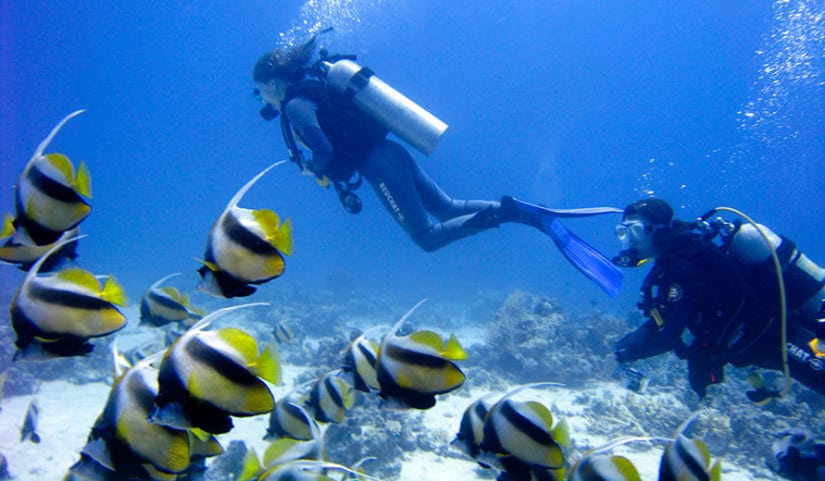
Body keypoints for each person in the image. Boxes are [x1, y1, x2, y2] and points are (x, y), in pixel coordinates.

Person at [250, 34, 623, 296]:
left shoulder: (297, 105)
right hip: (392, 151)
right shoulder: (316, 86)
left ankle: (507, 214)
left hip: (378, 166)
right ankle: (528, 215)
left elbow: (323, 150)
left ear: (273, 81)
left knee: (427, 238)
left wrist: (315, 172)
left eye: (262, 88)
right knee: (448, 207)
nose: (263, 97)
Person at [611, 197, 825, 399]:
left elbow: (670, 335)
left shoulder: (682, 266)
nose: (629, 242)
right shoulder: (678, 258)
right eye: (623, 233)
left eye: (635, 232)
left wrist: (632, 352)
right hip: (765, 341)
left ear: (658, 231)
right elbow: (671, 310)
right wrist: (640, 335)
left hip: (779, 338)